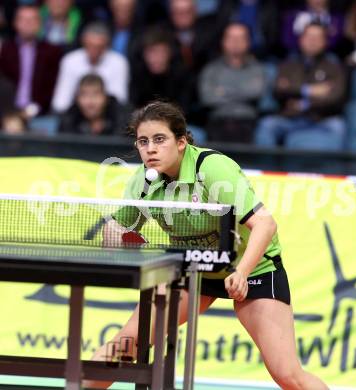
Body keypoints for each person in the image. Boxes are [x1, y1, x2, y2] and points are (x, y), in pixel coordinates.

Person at [83, 100, 328, 390]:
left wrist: (242, 272)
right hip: (193, 269)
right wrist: (118, 238)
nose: (150, 148)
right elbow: (116, 229)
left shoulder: (212, 169)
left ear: (181, 142)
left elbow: (265, 224)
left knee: (286, 373)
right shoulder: (143, 182)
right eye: (143, 141)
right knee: (127, 343)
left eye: (160, 139)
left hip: (252, 269)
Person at [255, 22, 346, 150]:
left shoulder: (334, 67)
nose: (312, 41)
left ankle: (333, 169)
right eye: (309, 37)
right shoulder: (288, 64)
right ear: (301, 39)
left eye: (317, 38)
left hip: (321, 118)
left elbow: (336, 97)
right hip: (290, 117)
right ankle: (266, 168)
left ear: (325, 42)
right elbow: (278, 90)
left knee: (338, 127)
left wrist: (304, 103)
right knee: (267, 125)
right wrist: (310, 91)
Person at [199, 22, 266, 142]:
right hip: (218, 122)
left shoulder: (257, 69)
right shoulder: (211, 69)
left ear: (248, 42)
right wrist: (242, 93)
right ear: (223, 41)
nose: (235, 42)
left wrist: (222, 91)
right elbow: (207, 98)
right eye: (231, 37)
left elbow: (256, 93)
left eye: (240, 38)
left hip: (247, 122)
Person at [52, 21, 129, 113]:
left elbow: (119, 100)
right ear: (83, 42)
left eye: (99, 47)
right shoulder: (69, 61)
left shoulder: (119, 62)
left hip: (109, 116)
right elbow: (61, 102)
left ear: (107, 45)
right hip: (75, 115)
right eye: (90, 45)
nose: (94, 50)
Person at [0, 4, 62, 116]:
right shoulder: (4, 50)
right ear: (15, 23)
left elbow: (53, 87)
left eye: (32, 19)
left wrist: (32, 110)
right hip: (5, 112)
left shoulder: (52, 52)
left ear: (40, 24)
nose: (28, 23)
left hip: (41, 113)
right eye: (23, 19)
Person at [58, 74, 127, 135]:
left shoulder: (123, 119)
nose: (90, 102)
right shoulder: (68, 119)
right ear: (77, 98)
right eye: (84, 95)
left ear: (106, 97)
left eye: (96, 94)